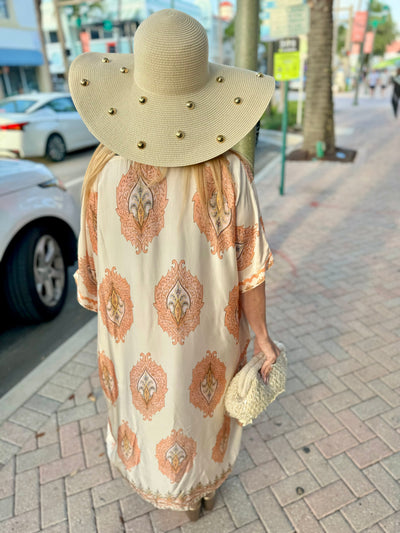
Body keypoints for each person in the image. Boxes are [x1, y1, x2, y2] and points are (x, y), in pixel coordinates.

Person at [69, 9, 280, 522]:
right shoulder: (230, 173)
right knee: (200, 413)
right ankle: (198, 492)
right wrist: (262, 336)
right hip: (208, 337)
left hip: (129, 341)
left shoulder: (101, 171)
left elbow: (90, 272)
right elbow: (251, 269)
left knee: (143, 414)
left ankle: (152, 481)